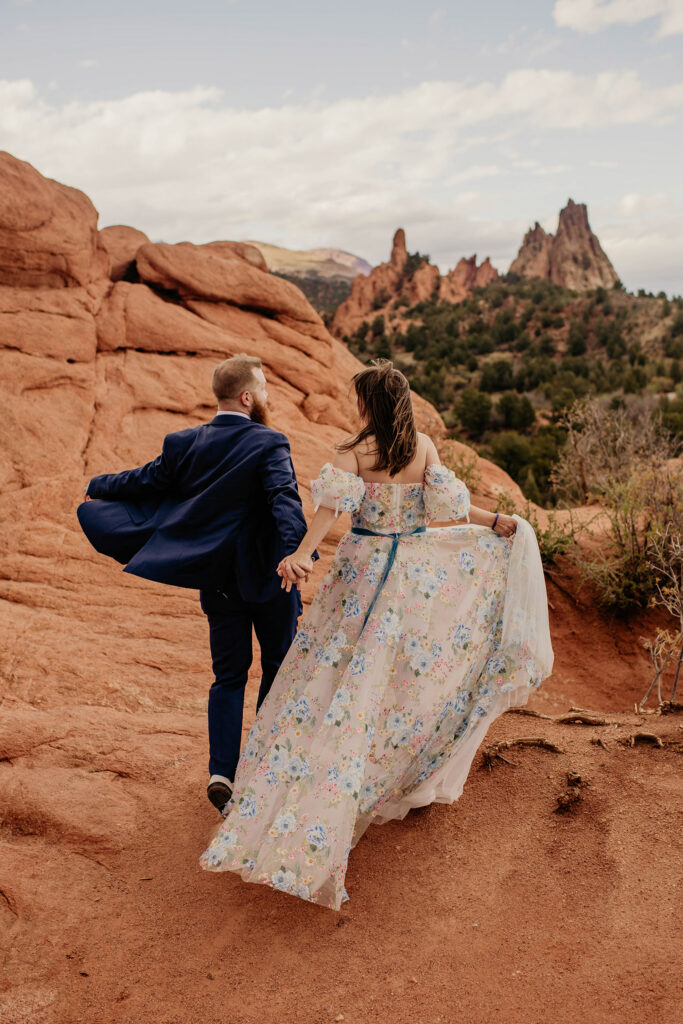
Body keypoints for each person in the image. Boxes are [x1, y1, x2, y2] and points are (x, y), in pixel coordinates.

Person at [199, 359, 553, 910]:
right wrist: (493, 522)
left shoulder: (354, 447)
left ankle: (309, 780)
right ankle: (378, 772)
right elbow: (445, 509)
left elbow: (332, 510)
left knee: (330, 675)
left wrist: (301, 553)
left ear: (369, 404)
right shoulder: (424, 447)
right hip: (408, 575)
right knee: (388, 681)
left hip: (361, 572)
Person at [77, 355, 311, 814]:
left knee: (228, 676)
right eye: (262, 389)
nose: (266, 396)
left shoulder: (184, 442)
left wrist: (99, 485)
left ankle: (222, 772)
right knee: (280, 666)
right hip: (270, 578)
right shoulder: (269, 441)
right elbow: (284, 497)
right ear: (247, 397)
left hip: (218, 581)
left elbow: (144, 479)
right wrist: (295, 553)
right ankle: (263, 770)